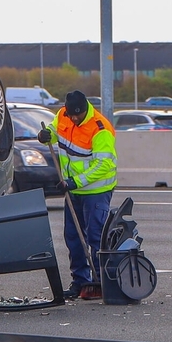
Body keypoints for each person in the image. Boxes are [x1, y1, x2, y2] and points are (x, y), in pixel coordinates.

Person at [38, 90, 117, 299]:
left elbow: (104, 164)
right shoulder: (63, 115)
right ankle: (80, 281)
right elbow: (55, 131)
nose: (74, 118)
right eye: (71, 114)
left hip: (96, 190)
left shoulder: (100, 128)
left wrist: (75, 182)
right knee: (73, 237)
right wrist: (47, 135)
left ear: (86, 109)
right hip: (73, 190)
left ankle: (102, 281)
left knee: (95, 237)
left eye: (78, 115)